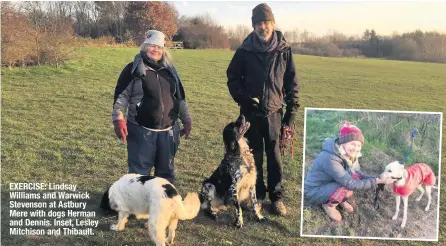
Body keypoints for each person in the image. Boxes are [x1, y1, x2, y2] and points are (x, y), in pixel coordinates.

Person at [227, 3, 300, 216]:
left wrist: (291, 113)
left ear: (273, 23)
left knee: (275, 158)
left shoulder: (284, 51)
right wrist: (244, 99)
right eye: (258, 23)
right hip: (250, 114)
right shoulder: (244, 50)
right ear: (253, 26)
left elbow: (292, 83)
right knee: (254, 157)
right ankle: (257, 195)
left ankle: (276, 197)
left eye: (266, 22)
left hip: (275, 114)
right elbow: (232, 78)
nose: (263, 27)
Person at [112, 29, 192, 184]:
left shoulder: (170, 71)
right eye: (152, 45)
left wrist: (187, 119)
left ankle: (163, 205)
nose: (156, 49)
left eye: (160, 47)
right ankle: (138, 206)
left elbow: (179, 98)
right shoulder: (132, 70)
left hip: (168, 133)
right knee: (139, 174)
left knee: (166, 173)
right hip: (141, 131)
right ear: (144, 46)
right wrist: (118, 119)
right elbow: (122, 97)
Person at [303, 122, 396, 222]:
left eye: (359, 145)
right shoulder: (330, 158)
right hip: (314, 191)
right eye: (352, 144)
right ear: (343, 142)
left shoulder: (347, 154)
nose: (356, 148)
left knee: (352, 180)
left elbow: (356, 173)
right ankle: (328, 205)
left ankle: (339, 200)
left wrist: (376, 178)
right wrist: (377, 182)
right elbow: (350, 184)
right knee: (347, 186)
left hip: (329, 183)